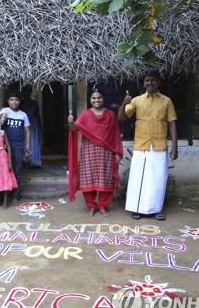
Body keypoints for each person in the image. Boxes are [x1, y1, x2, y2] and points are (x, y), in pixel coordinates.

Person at [118, 69, 178, 221]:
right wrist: (124, 103)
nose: (149, 82)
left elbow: (172, 123)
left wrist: (175, 146)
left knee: (158, 178)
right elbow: (121, 118)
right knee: (138, 178)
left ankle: (156, 209)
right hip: (141, 144)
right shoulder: (137, 100)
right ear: (144, 83)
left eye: (152, 80)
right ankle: (136, 208)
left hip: (159, 145)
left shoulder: (167, 101)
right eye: (147, 80)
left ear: (159, 82)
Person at [68, 88, 123, 217]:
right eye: (93, 98)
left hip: (106, 151)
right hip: (89, 151)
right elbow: (75, 129)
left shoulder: (110, 114)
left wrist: (117, 152)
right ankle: (91, 206)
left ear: (103, 99)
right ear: (90, 99)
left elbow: (115, 133)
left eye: (99, 98)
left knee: (106, 179)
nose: (96, 100)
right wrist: (70, 122)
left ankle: (103, 206)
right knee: (88, 179)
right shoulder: (85, 114)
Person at [0, 92, 31, 202]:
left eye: (16, 100)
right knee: (5, 169)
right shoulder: (4, 111)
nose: (14, 102)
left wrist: (27, 148)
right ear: (8, 101)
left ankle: (16, 195)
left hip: (18, 146)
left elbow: (27, 132)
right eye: (12, 99)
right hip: (4, 146)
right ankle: (5, 194)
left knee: (17, 170)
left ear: (19, 102)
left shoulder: (23, 115)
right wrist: (2, 120)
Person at [21, 85, 42, 168]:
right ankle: (28, 161)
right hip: (28, 124)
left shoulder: (31, 103)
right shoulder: (22, 103)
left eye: (28, 91)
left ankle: (32, 162)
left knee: (32, 141)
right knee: (30, 141)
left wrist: (39, 126)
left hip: (32, 124)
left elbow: (37, 116)